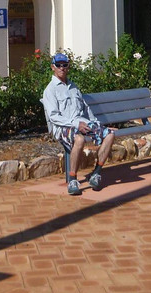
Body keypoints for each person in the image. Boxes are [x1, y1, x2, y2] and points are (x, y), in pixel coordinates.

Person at [41, 52, 116, 195]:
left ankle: (96, 173)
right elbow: (54, 117)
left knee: (110, 135)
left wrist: (98, 125)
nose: (62, 68)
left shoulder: (73, 86)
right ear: (53, 67)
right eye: (58, 65)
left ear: (68, 67)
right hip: (63, 127)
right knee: (79, 139)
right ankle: (73, 179)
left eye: (65, 65)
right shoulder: (50, 90)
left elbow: (86, 108)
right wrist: (76, 125)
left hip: (81, 122)